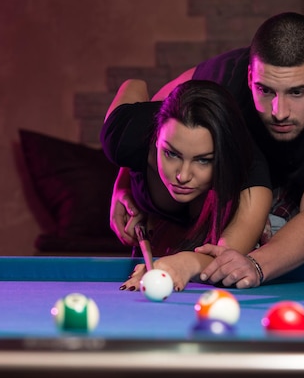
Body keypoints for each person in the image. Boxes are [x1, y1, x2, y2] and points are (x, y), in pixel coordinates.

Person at [109, 11, 304, 289]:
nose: (278, 110)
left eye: (297, 92)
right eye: (265, 89)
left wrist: (256, 265)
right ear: (250, 76)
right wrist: (126, 182)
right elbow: (158, 121)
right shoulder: (226, 78)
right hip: (291, 228)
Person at [100, 79, 272, 292]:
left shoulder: (250, 175)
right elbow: (135, 84)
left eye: (203, 160)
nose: (182, 176)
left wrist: (183, 263)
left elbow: (226, 258)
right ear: (155, 138)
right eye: (171, 154)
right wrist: (122, 186)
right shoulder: (126, 135)